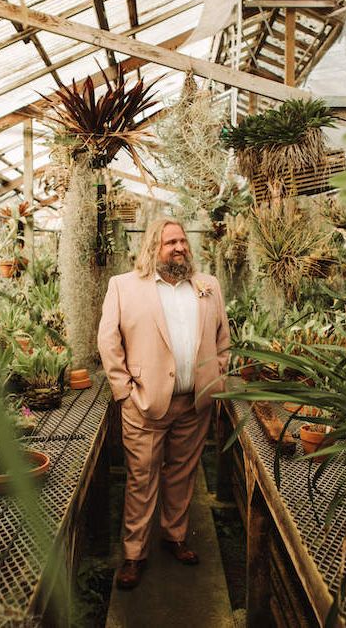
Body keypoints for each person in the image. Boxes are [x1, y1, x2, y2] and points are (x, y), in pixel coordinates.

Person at [97, 218, 230, 590]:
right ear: (154, 245)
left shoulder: (207, 287)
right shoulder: (124, 287)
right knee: (142, 478)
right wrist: (124, 392)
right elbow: (108, 342)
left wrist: (215, 375)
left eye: (183, 241)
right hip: (144, 404)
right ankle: (134, 554)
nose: (179, 247)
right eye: (170, 241)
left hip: (194, 403)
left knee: (182, 474)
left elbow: (223, 339)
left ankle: (175, 536)